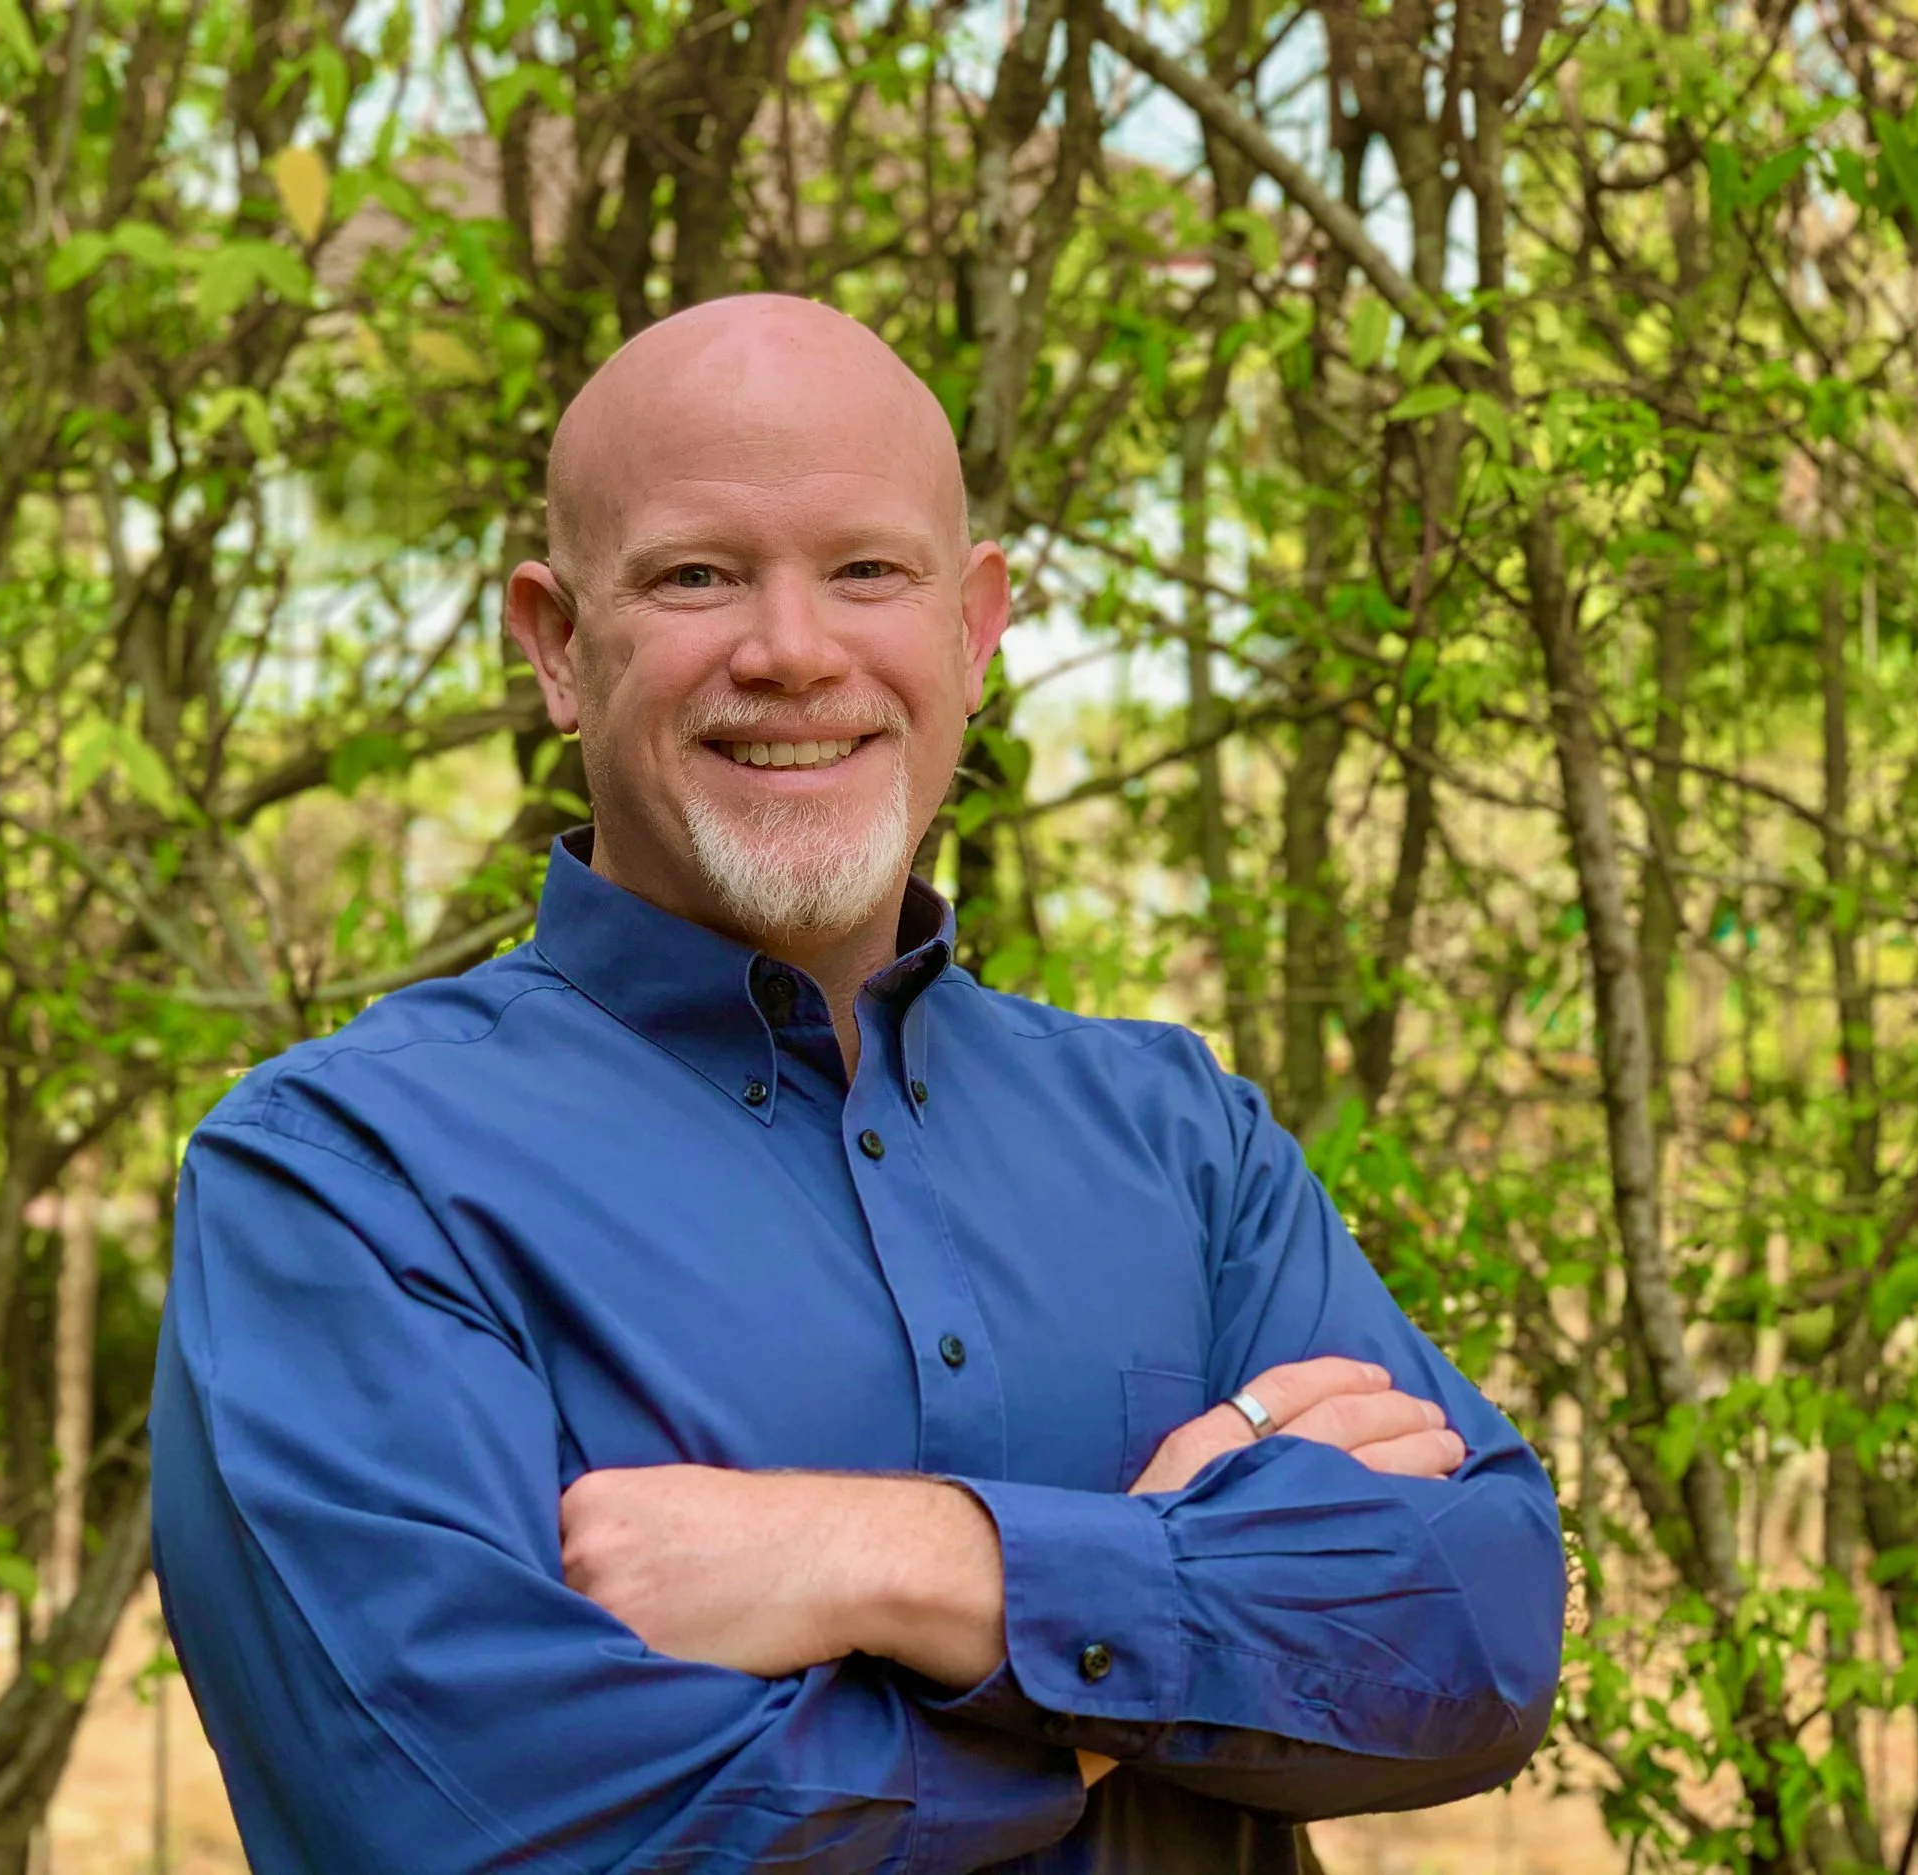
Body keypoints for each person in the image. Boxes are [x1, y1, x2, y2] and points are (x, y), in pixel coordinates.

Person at [149, 294, 1566, 1873]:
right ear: (558, 646)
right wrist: (1131, 1661)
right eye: (697, 574)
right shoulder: (345, 1176)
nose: (793, 650)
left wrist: (898, 1561)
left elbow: (1484, 1628)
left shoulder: (1181, 1141)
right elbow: (469, 1825)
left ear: (972, 628)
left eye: (866, 570)